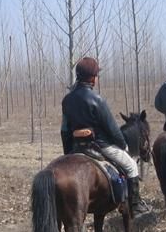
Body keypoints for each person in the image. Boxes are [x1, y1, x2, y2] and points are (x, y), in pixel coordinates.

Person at [61, 57, 149, 215]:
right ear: (92, 78)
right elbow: (112, 129)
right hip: (100, 146)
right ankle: (134, 204)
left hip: (76, 146)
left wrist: (68, 152)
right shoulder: (97, 99)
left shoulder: (67, 100)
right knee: (131, 166)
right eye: (96, 75)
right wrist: (123, 145)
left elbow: (65, 130)